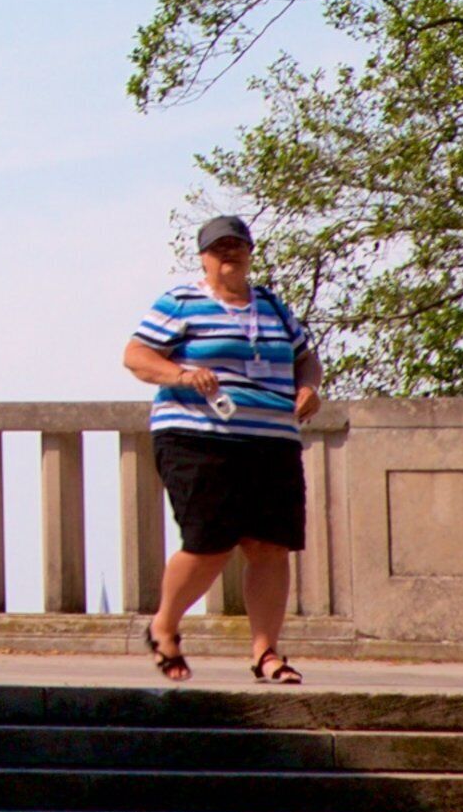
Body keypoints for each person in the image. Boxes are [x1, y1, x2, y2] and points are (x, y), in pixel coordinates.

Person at [124, 214, 323, 684]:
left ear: (250, 252)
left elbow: (305, 357)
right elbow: (136, 355)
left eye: (237, 245)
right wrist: (182, 375)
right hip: (197, 435)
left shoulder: (272, 306)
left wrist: (310, 387)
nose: (229, 253)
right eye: (219, 248)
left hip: (271, 441)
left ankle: (266, 652)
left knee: (270, 546)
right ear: (204, 257)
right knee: (210, 542)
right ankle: (164, 627)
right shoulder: (182, 301)